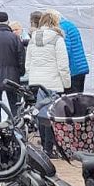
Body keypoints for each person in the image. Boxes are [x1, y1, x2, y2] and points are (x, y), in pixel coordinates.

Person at [26, 9, 71, 157]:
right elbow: (63, 65)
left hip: (37, 82)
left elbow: (28, 63)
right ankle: (49, 148)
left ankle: (45, 146)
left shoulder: (33, 38)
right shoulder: (57, 39)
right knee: (52, 116)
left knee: (41, 113)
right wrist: (66, 83)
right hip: (53, 82)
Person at [59, 15, 89, 94]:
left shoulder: (61, 28)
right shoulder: (69, 25)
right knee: (77, 99)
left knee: (71, 100)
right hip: (79, 68)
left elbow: (65, 50)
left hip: (72, 70)